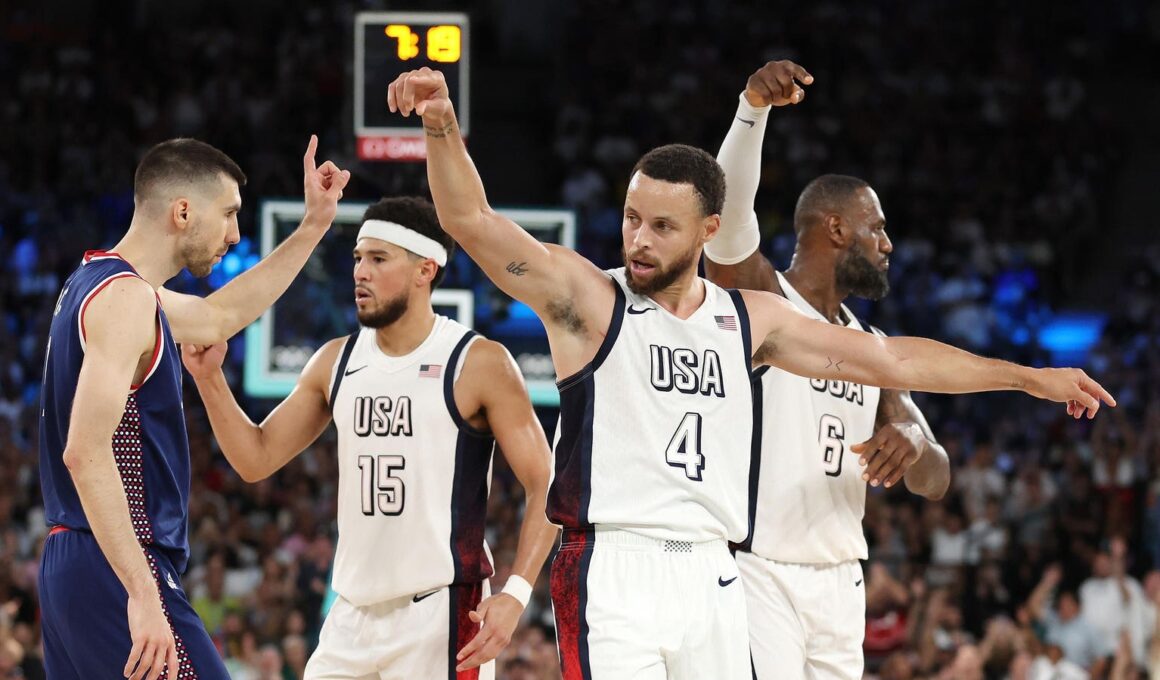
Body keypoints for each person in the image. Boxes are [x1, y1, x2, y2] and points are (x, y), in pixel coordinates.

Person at [387, 67, 1114, 680]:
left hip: (713, 574)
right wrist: (442, 125)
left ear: (708, 231)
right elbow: (472, 220)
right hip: (615, 566)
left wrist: (1026, 376)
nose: (639, 239)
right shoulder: (589, 298)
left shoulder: (749, 319)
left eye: (662, 226)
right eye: (632, 218)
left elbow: (892, 360)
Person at [182, 196, 558, 680]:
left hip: (440, 613)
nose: (360, 272)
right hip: (350, 615)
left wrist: (517, 592)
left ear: (426, 269)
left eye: (379, 259)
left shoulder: (477, 361)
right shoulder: (335, 360)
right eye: (358, 258)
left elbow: (545, 480)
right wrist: (210, 380)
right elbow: (255, 459)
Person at [38, 136, 350, 680]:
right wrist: (141, 591)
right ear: (183, 211)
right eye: (228, 214)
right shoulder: (127, 299)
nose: (234, 232)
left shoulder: (95, 286)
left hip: (72, 561)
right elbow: (85, 452)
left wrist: (313, 227)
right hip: (116, 559)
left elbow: (217, 317)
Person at [701, 60, 951, 679]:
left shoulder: (872, 347)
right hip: (759, 569)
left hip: (841, 582)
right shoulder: (764, 300)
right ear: (836, 228)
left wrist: (915, 441)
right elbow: (726, 230)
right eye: (878, 229)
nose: (888, 244)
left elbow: (936, 479)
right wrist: (752, 112)